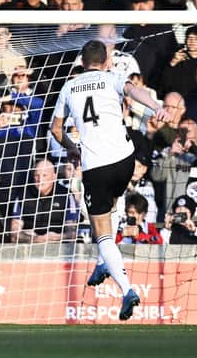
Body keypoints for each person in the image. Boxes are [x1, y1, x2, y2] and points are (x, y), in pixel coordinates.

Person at [50, 40, 170, 321]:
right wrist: (156, 108)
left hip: (96, 166)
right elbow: (133, 90)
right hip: (125, 159)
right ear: (106, 61)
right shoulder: (111, 77)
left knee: (100, 230)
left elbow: (56, 130)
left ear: (81, 62)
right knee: (114, 203)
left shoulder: (69, 86)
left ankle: (127, 289)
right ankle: (103, 263)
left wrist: (71, 148)